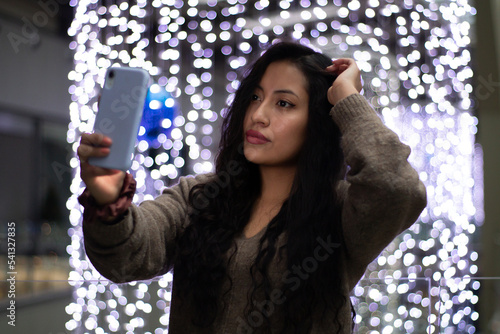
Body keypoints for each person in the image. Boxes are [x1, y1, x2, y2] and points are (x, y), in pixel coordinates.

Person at [77, 42, 427, 333]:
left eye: (284, 103)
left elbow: (396, 186)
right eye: (255, 98)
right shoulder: (200, 197)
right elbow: (126, 258)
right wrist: (109, 203)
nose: (258, 114)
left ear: (319, 122)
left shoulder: (339, 210)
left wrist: (346, 97)